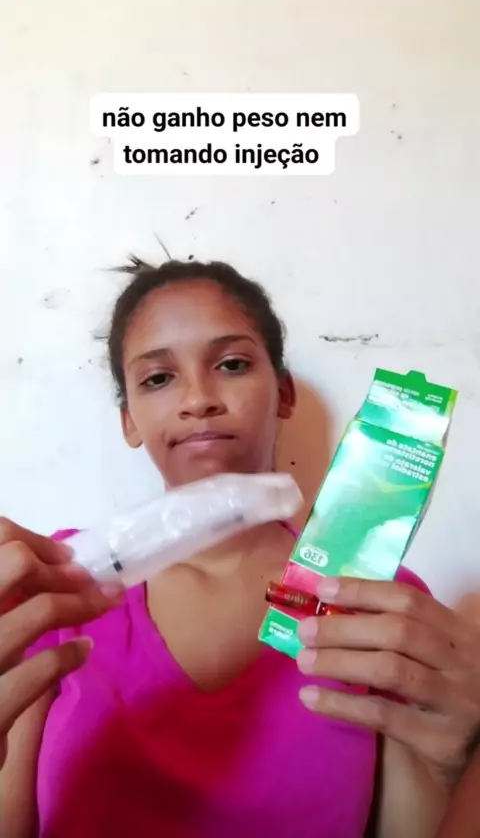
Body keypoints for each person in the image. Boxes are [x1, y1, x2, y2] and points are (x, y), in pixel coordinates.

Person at [0, 258, 479, 838]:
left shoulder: (378, 597)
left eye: (231, 364)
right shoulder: (55, 582)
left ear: (283, 393)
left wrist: (467, 766)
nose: (198, 399)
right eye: (158, 378)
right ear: (129, 421)